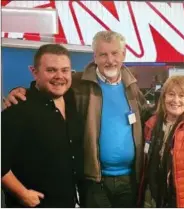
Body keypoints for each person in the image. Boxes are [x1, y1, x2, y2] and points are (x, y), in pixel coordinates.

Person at [2, 31, 149, 207]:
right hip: (94, 181)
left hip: (128, 180)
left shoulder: (131, 87)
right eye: (103, 54)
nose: (110, 60)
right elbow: (48, 88)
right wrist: (18, 91)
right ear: (94, 56)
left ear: (123, 55)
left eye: (115, 53)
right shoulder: (79, 85)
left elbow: (149, 115)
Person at [1, 44, 84, 208]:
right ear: (34, 72)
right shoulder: (17, 110)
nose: (59, 76)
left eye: (65, 70)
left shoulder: (73, 103)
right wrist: (22, 193)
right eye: (51, 70)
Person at [138, 76, 184, 207]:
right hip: (150, 199)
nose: (176, 100)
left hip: (180, 202)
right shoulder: (151, 125)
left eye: (182, 95)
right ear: (164, 97)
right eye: (171, 94)